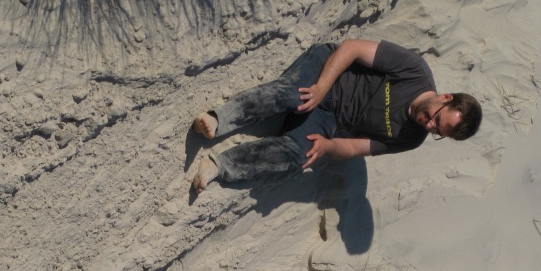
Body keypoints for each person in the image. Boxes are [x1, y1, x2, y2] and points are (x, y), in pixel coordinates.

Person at [191, 38, 482, 192]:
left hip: (329, 120)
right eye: (436, 119)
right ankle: (220, 118)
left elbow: (354, 148)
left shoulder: (411, 138)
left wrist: (328, 147)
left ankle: (219, 165)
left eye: (437, 132)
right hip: (326, 72)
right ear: (445, 98)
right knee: (296, 95)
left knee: (300, 154)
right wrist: (321, 87)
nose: (429, 125)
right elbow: (352, 48)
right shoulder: (414, 71)